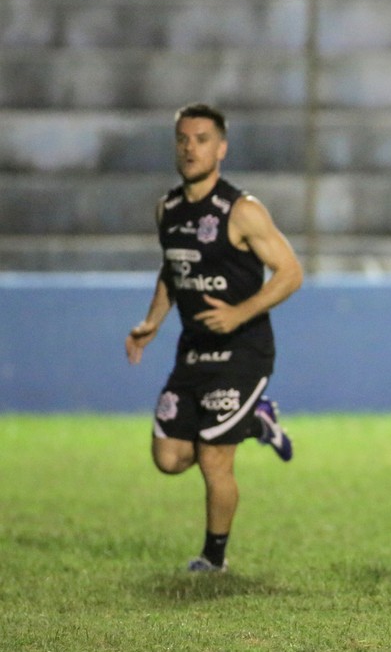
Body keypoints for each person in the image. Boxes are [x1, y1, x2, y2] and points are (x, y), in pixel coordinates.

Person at [126, 102, 303, 572]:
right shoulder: (167, 209)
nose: (190, 149)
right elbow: (173, 270)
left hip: (243, 351)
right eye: (183, 140)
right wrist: (152, 322)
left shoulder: (242, 211)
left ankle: (213, 559)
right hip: (194, 351)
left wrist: (239, 313)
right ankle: (255, 421)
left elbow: (290, 272)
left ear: (221, 148)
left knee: (213, 458)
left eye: (202, 140)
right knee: (168, 458)